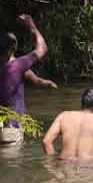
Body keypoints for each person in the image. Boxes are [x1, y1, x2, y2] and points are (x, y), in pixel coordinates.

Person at [1, 14, 56, 145]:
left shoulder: (17, 67)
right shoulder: (18, 65)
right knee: (11, 164)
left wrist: (44, 83)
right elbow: (42, 48)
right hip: (10, 130)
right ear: (12, 48)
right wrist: (32, 26)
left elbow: (35, 80)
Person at [42, 88, 93, 162]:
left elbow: (46, 141)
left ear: (82, 102)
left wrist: (52, 163)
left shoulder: (63, 116)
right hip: (87, 168)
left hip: (65, 165)